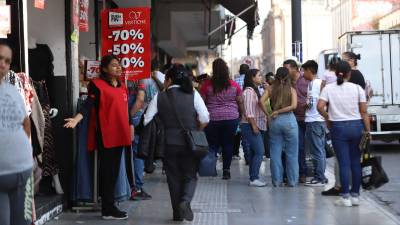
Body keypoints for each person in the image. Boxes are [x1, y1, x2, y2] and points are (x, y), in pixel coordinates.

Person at [64, 55, 133, 220]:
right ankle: (108, 209)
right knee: (107, 172)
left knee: (115, 172)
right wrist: (76, 119)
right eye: (114, 65)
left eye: (119, 65)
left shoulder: (123, 86)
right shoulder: (97, 85)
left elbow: (125, 111)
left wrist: (131, 127)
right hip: (106, 135)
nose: (118, 68)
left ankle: (110, 206)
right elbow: (89, 105)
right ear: (104, 69)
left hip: (122, 134)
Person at [144, 64, 209, 222]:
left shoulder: (160, 96)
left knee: (173, 178)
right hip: (189, 143)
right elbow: (205, 117)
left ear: (169, 80)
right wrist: (197, 129)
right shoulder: (193, 94)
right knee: (190, 175)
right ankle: (185, 201)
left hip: (168, 144)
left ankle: (177, 215)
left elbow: (146, 120)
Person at [317, 61, 370, 207]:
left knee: (344, 163)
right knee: (355, 162)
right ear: (349, 73)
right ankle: (355, 196)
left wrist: (328, 118)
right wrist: (367, 130)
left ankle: (345, 197)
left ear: (335, 73)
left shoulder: (328, 89)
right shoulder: (357, 88)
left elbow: (319, 106)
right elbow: (364, 111)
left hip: (338, 127)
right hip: (356, 126)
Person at [0, 41, 34, 225]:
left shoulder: (13, 91)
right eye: (0, 58)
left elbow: (26, 125)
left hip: (23, 171)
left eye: (7, 60)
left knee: (24, 221)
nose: (3, 64)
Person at [200, 58, 243, 179]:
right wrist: (241, 115)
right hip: (231, 119)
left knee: (212, 145)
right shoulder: (234, 85)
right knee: (228, 144)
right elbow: (240, 102)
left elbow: (201, 102)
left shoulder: (207, 85)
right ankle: (226, 171)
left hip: (212, 119)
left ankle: (210, 168)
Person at [260, 67, 298, 187]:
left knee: (275, 153)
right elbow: (294, 106)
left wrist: (269, 114)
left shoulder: (270, 89)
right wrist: (280, 111)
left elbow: (260, 101)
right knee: (292, 153)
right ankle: (292, 181)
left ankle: (277, 181)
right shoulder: (291, 90)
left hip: (275, 122)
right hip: (289, 121)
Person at [301, 60, 327, 186]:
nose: (302, 73)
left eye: (303, 71)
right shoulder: (317, 83)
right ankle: (321, 176)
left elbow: (313, 102)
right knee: (320, 150)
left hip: (314, 121)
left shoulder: (315, 83)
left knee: (317, 151)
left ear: (309, 71)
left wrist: (304, 106)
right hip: (318, 120)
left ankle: (320, 178)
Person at [241, 69, 268, 187]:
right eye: (259, 75)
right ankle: (254, 178)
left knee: (254, 151)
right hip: (250, 125)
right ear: (252, 78)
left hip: (257, 124)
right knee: (259, 151)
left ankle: (253, 176)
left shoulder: (257, 90)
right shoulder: (249, 91)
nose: (261, 77)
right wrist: (253, 125)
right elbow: (249, 111)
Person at [284, 59, 308, 183]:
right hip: (293, 118)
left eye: (287, 69)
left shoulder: (305, 80)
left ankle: (307, 173)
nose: (285, 71)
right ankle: (298, 173)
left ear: (295, 69)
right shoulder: (286, 82)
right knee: (296, 147)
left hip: (307, 118)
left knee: (307, 147)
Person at [233, 64, 250, 162]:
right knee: (246, 133)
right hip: (248, 110)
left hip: (237, 109)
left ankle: (235, 153)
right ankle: (248, 156)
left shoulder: (235, 82)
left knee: (236, 132)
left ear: (240, 71)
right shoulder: (249, 81)